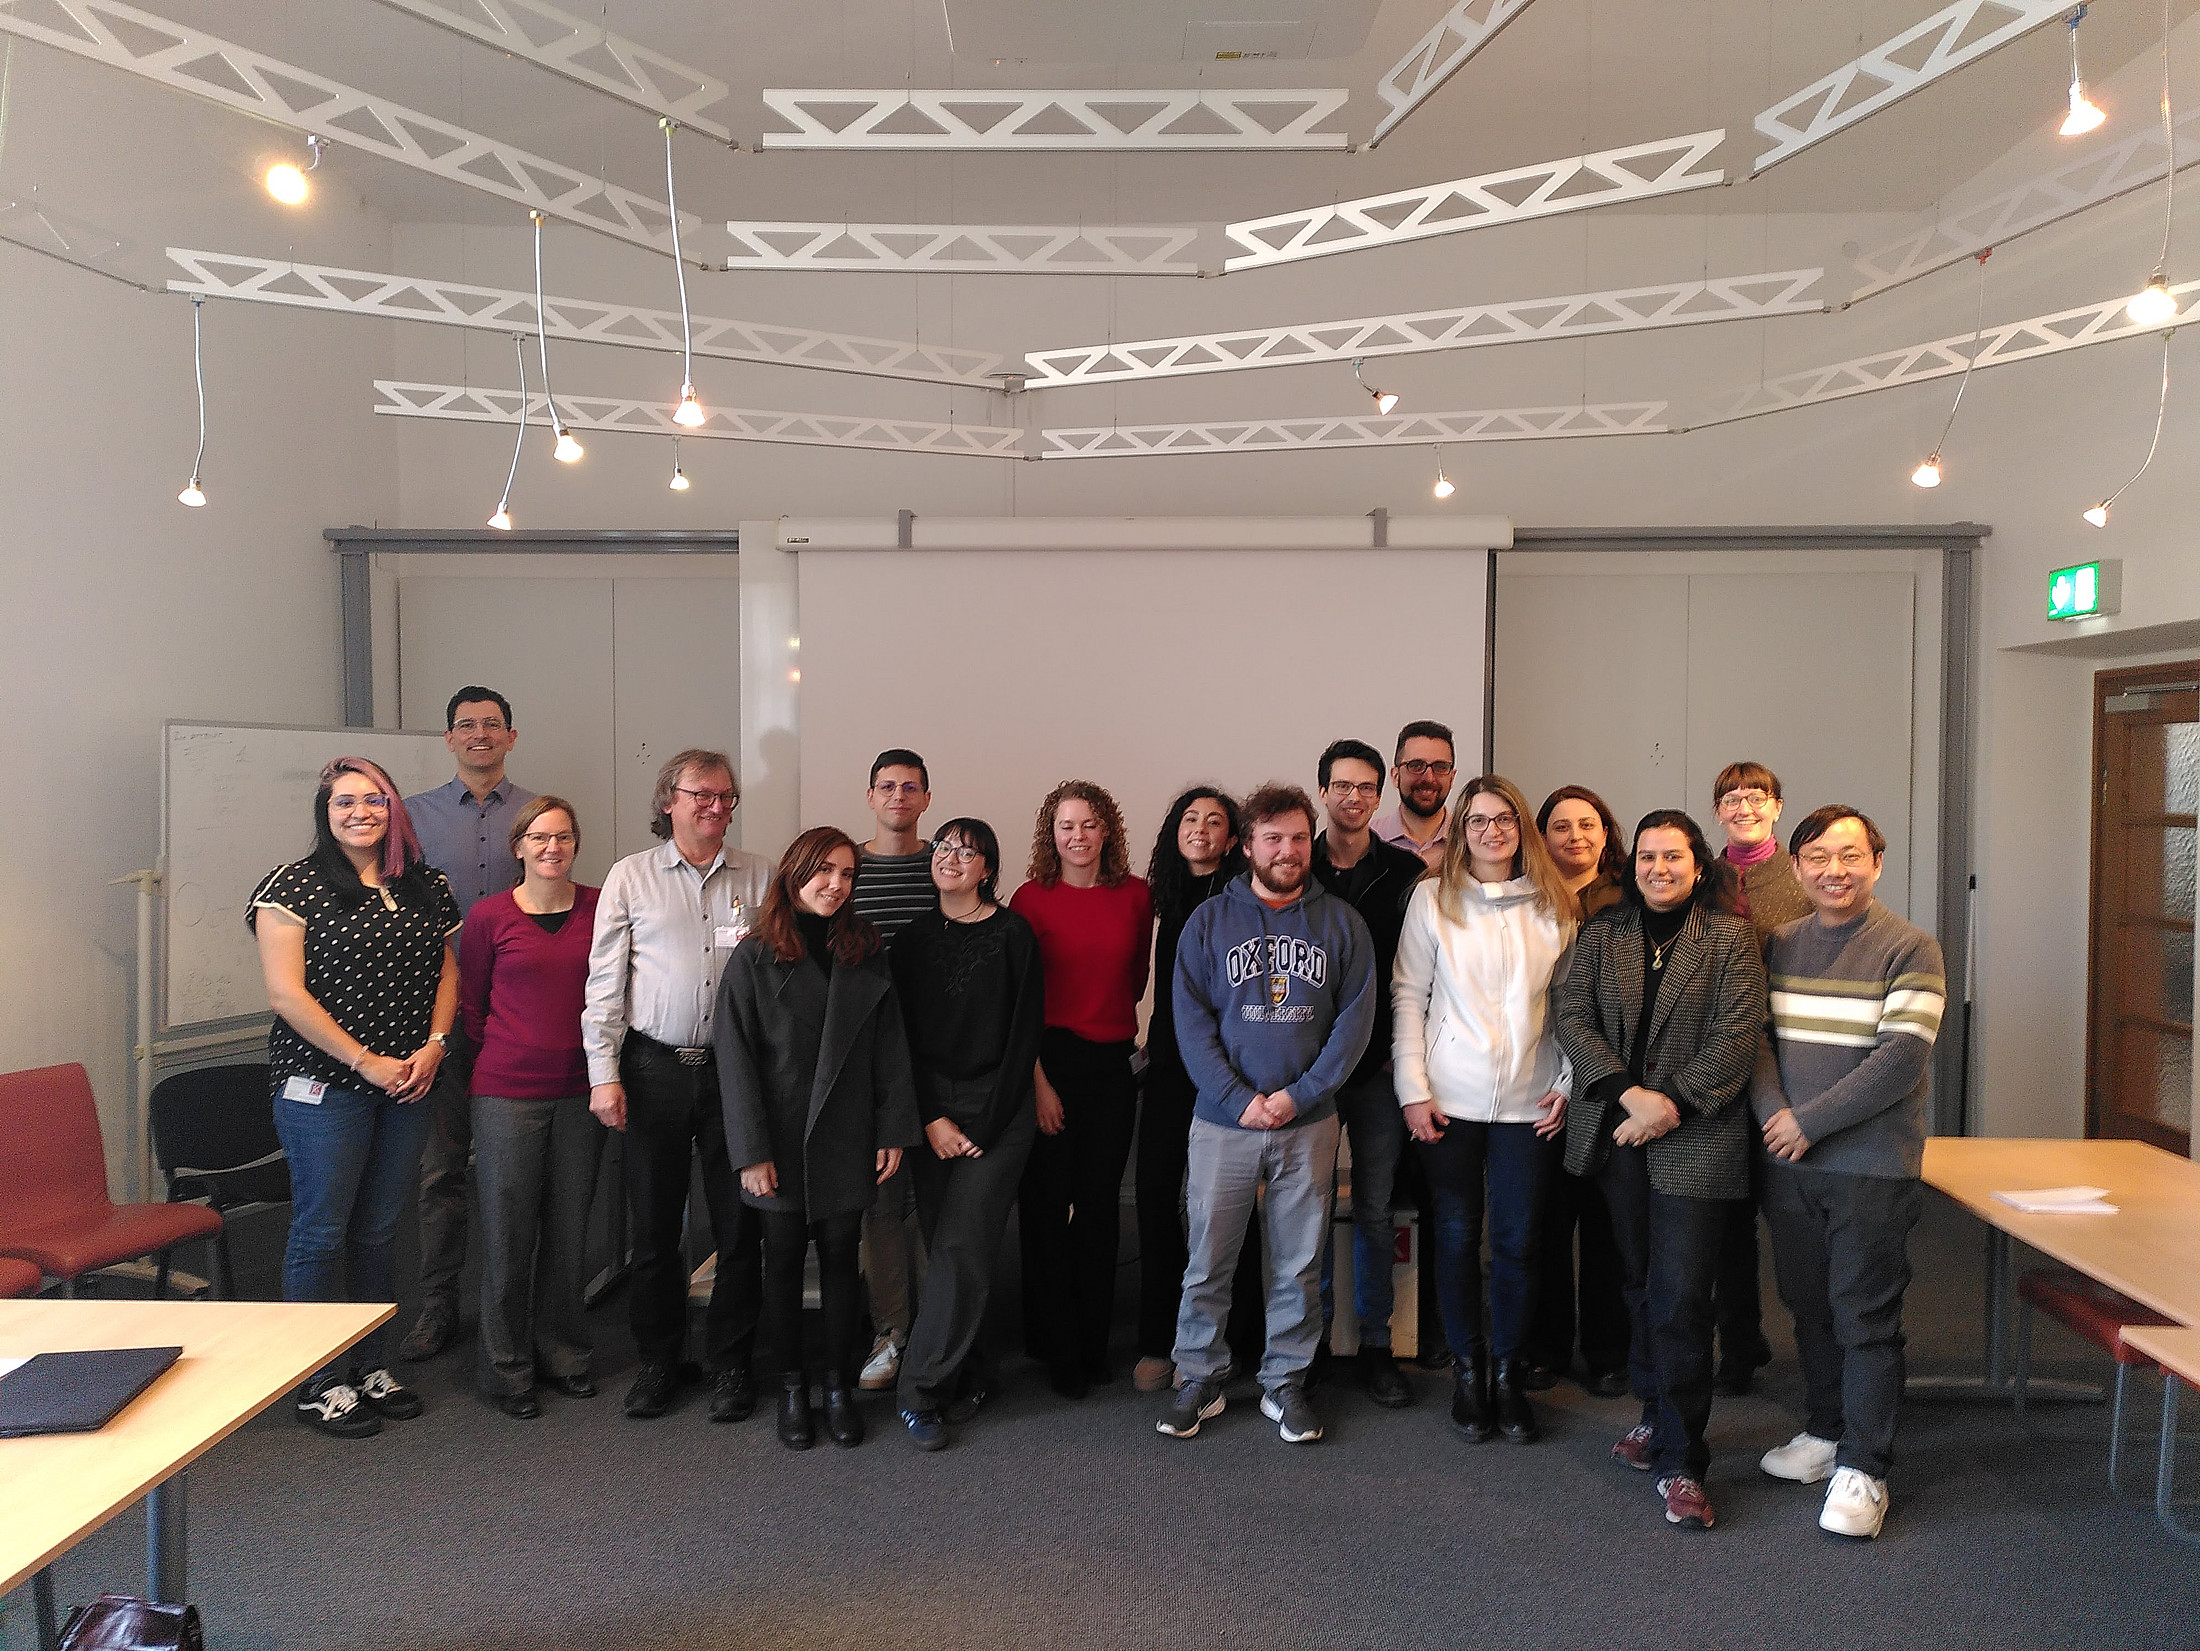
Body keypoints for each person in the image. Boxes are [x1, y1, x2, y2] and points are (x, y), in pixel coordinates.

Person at [1553, 810, 1767, 1531]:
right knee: (1640, 1283)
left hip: (1696, 1135)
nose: (1658, 868)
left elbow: (1736, 1038)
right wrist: (1628, 1094)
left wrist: (1666, 1104)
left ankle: (1684, 1460)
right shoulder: (1603, 934)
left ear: (1698, 866)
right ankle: (1653, 1412)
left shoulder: (1730, 939)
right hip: (1620, 1129)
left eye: (1673, 856)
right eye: (1646, 856)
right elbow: (1573, 1016)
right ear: (1633, 864)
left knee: (1681, 1298)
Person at [1158, 784, 1377, 1446]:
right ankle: (1200, 1375)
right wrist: (1239, 1098)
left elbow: (1353, 1027)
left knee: (1298, 1262)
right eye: (1273, 838)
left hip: (1307, 1121)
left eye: (1299, 838)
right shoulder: (1207, 922)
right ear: (1247, 845)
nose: (1287, 850)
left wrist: (1297, 1096)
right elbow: (1190, 1024)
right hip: (1222, 1122)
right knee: (1207, 1259)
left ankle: (1286, 1381)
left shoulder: (1342, 923)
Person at [250, 757, 461, 1437]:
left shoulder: (426, 884)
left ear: (394, 808)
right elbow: (286, 994)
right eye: (345, 801)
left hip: (409, 1084)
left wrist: (436, 1044)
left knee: (378, 1229)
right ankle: (317, 1380)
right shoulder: (292, 886)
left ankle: (370, 1363)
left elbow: (446, 971)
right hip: (324, 1087)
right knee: (321, 1231)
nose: (360, 812)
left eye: (374, 800)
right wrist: (366, 1062)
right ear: (326, 811)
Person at [1753, 806, 1946, 1540]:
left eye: (1850, 855)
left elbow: (1900, 1059)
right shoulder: (1781, 943)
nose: (1834, 870)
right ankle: (1826, 1431)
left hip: (1870, 1166)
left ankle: (1866, 1467)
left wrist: (1808, 1121)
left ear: (1876, 863)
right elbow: (1758, 1041)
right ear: (1796, 867)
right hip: (1790, 1160)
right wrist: (1776, 1114)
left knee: (1864, 1315)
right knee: (1807, 1305)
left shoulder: (1910, 946)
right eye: (1818, 857)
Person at [583, 750, 771, 1423]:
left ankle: (731, 1363)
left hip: (735, 1075)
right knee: (655, 1228)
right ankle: (659, 1361)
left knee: (738, 1226)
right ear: (669, 799)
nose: (716, 806)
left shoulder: (761, 875)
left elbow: (777, 979)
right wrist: (603, 1073)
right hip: (652, 1068)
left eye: (726, 796)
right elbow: (605, 982)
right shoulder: (630, 876)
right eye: (702, 795)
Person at [717, 827, 920, 1451]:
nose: (835, 884)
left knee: (839, 1262)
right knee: (780, 1264)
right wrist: (750, 1152)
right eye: (823, 871)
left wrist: (891, 1129)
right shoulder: (754, 957)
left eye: (847, 873)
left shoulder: (864, 949)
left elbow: (890, 1047)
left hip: (847, 1131)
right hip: (777, 1139)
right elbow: (735, 1061)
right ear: (794, 872)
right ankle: (791, 1389)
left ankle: (836, 1387)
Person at [1393, 776, 1576, 1445]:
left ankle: (1507, 1373)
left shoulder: (1556, 904)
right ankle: (1468, 1371)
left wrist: (1568, 1080)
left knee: (1518, 1243)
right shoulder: (1431, 899)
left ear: (1521, 827)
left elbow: (1571, 1005)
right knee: (1455, 1234)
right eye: (1477, 820)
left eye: (1504, 819)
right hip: (1449, 1098)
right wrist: (1412, 1088)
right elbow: (1408, 996)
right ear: (1461, 831)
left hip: (1531, 1100)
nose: (1491, 831)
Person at [888, 818, 1045, 1449]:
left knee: (960, 1243)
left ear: (988, 869)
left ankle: (919, 1390)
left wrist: (984, 1125)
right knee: (945, 1245)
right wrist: (931, 1117)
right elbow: (900, 1039)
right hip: (931, 1110)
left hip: (998, 1113)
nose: (951, 858)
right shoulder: (910, 940)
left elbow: (1025, 1036)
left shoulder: (1014, 935)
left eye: (968, 852)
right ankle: (973, 1369)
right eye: (944, 847)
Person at [398, 687, 536, 1365]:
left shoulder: (538, 815)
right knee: (441, 1170)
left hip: (518, 1014)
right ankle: (439, 1303)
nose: (480, 734)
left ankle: (517, 1306)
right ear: (449, 738)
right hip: (441, 1014)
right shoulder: (410, 817)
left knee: (517, 1173)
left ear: (511, 736)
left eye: (492, 724)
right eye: (466, 725)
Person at [459, 795, 602, 1419]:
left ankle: (564, 1354)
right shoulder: (489, 916)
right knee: (507, 1231)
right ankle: (507, 1368)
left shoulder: (600, 906)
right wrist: (512, 1050)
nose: (552, 847)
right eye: (539, 837)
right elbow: (472, 1006)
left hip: (582, 1090)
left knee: (570, 1230)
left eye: (563, 836)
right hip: (507, 1093)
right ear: (518, 847)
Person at [1011, 781, 1154, 1398]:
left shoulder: (1137, 896)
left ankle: (1092, 1343)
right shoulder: (1029, 900)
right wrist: (1039, 1083)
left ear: (1107, 831)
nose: (1078, 836)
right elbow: (1018, 1001)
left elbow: (1136, 978)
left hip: (1111, 1065)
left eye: (1089, 824)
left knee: (1098, 1208)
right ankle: (1055, 1345)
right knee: (1046, 1208)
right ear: (1051, 833)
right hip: (1047, 1063)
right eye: (1066, 825)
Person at [1132, 787, 1263, 1396]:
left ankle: (1239, 1336)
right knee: (1156, 1196)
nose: (1202, 829)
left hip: (1229, 1069)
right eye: (1191, 818)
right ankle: (1159, 1337)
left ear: (1233, 838)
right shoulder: (1160, 896)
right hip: (1168, 1066)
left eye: (1215, 821)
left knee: (1232, 1204)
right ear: (1175, 830)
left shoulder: (1245, 898)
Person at [1310, 739, 1428, 1408]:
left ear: (1379, 795)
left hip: (1381, 1068)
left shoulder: (1405, 871)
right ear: (1323, 791)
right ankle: (1316, 1341)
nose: (1353, 797)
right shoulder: (1297, 867)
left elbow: (1418, 971)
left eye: (1365, 787)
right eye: (1342, 786)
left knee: (1377, 1209)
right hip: (1315, 1072)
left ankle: (1378, 1344)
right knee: (1312, 1208)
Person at [1524, 785, 1633, 1398]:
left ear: (1606, 832)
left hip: (1609, 1083)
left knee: (1605, 1225)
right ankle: (1545, 1348)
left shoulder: (1629, 898)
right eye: (1560, 826)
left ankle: (1607, 1352)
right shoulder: (1523, 896)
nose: (1575, 836)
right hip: (1538, 1080)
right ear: (1542, 837)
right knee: (1544, 1222)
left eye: (1587, 824)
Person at [1708, 760, 1813, 1396]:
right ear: (1718, 810)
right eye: (1731, 798)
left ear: (1776, 806)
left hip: (1788, 1065)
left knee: (1791, 1216)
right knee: (1728, 1220)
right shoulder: (1703, 874)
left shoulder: (1801, 875)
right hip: (1722, 1065)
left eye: (1756, 797)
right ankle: (1740, 1342)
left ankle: (1817, 1352)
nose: (1744, 807)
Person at [847, 749, 939, 1396]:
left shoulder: (945, 864)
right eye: (887, 786)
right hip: (868, 1063)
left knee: (933, 1205)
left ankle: (937, 1333)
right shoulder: (846, 870)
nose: (898, 796)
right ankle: (890, 1331)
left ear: (926, 798)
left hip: (938, 1060)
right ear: (870, 796)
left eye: (910, 787)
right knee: (879, 1203)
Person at [1372, 720, 1457, 868]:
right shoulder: (1369, 840)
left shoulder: (1470, 843)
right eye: (1416, 765)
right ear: (1395, 776)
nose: (1429, 778)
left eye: (1440, 767)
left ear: (1452, 778)